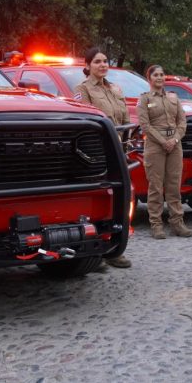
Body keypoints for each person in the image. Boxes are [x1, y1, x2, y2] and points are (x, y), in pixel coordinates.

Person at [73, 47, 133, 268]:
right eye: (98, 62)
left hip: (119, 150)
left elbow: (125, 118)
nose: (103, 65)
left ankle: (115, 249)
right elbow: (86, 121)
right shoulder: (82, 89)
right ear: (87, 66)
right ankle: (94, 253)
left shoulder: (115, 89)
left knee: (121, 200)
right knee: (99, 200)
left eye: (106, 61)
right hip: (97, 153)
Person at [136, 65, 192, 239]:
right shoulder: (144, 99)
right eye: (156, 75)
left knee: (174, 186)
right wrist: (163, 142)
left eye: (162, 74)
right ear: (149, 78)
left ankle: (177, 222)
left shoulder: (173, 98)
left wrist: (174, 140)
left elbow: (182, 122)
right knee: (155, 186)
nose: (159, 77)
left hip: (174, 144)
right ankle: (156, 224)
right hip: (155, 145)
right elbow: (145, 126)